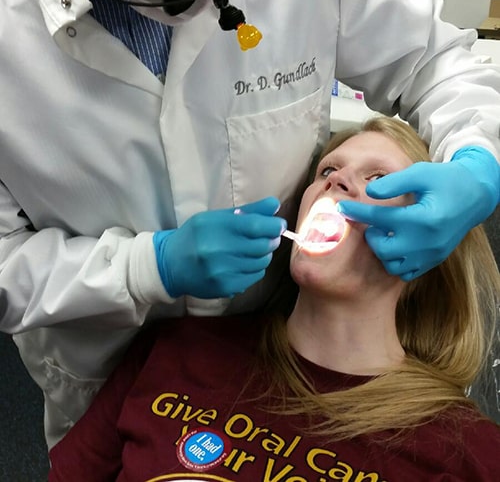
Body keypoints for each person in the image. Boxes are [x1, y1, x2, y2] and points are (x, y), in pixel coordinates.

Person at [0, 0, 499, 452]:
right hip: (106, 387)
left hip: (282, 366)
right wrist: (150, 268)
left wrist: (478, 166)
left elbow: (440, 64)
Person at [47, 117, 500, 481]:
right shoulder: (176, 351)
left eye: (378, 178)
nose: (337, 181)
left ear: (432, 238)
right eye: (328, 170)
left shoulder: (464, 454)